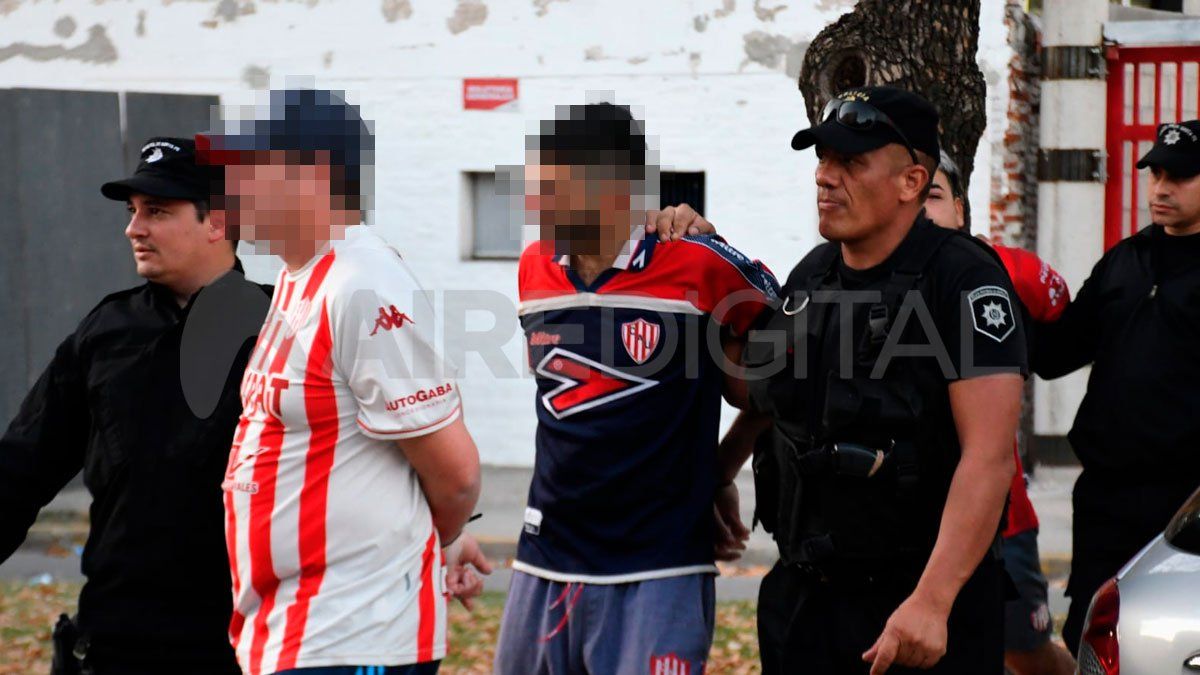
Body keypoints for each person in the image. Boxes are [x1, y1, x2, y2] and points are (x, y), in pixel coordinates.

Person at [717, 86, 1028, 674]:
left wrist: (932, 603)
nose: (824, 177)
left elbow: (988, 459)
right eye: (823, 160)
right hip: (807, 600)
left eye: (850, 162)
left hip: (917, 609)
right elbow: (770, 396)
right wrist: (718, 474)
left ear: (911, 182)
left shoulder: (963, 279)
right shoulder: (813, 274)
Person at [198, 88, 490, 675]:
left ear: (314, 175)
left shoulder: (362, 282)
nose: (231, 187)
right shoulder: (300, 275)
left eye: (251, 167)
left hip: (351, 635)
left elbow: (456, 475)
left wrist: (437, 540)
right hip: (298, 632)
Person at [492, 101, 779, 674]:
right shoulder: (533, 268)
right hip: (544, 560)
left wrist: (720, 471)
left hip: (660, 566)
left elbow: (784, 379)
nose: (535, 205)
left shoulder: (700, 263)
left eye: (553, 188)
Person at [0, 137, 268, 674]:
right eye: (133, 211)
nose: (134, 229)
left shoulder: (279, 330)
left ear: (217, 221)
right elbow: (22, 466)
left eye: (157, 211)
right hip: (115, 640)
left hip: (242, 646)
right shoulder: (106, 331)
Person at [1033, 119, 1200, 655]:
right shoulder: (1125, 260)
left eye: (1180, 177)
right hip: (1105, 495)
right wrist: (1002, 297)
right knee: (1092, 630)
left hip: (1185, 505)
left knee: (1169, 642)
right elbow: (1056, 353)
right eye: (1156, 175)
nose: (1161, 189)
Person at [925, 153, 1076, 675]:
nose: (922, 210)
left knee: (1024, 651)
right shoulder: (860, 279)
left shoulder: (1009, 271)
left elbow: (1062, 317)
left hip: (1001, 518)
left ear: (960, 209)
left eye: (934, 196)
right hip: (902, 520)